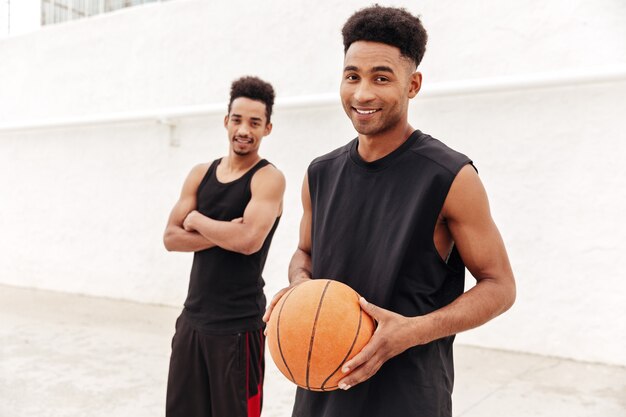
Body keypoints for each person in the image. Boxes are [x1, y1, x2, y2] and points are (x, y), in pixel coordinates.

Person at [263, 5, 516, 417]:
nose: (362, 93)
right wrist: (300, 289)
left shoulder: (449, 176)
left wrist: (411, 331)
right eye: (352, 76)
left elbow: (500, 286)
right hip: (321, 386)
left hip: (407, 396)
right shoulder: (320, 173)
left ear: (412, 84)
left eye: (381, 77)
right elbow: (304, 254)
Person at [163, 76, 285, 417]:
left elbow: (248, 242)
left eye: (255, 123)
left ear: (268, 128)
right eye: (238, 119)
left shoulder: (267, 178)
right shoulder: (201, 173)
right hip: (192, 321)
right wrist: (223, 233)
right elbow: (171, 238)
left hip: (237, 328)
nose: (244, 130)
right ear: (226, 120)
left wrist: (199, 220)